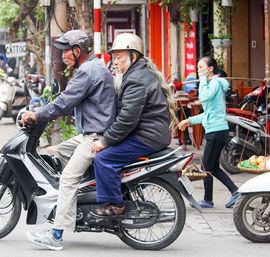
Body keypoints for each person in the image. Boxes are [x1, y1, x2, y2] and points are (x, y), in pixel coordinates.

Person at [22, 29, 117, 250]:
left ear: (78, 50)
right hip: (91, 133)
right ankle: (80, 197)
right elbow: (69, 101)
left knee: (67, 180)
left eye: (66, 51)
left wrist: (37, 114)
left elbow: (65, 101)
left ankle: (56, 235)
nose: (63, 56)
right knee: (61, 150)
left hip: (96, 136)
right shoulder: (94, 67)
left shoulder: (87, 71)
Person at [90, 33, 178, 215]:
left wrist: (105, 141)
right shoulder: (139, 73)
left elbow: (127, 119)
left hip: (146, 136)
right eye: (113, 57)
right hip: (150, 133)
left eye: (119, 57)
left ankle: (114, 205)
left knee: (104, 158)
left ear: (133, 56)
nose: (115, 62)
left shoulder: (136, 79)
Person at [178, 56, 240, 208]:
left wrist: (203, 79)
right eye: (198, 68)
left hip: (217, 131)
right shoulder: (213, 84)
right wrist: (189, 120)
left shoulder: (215, 84)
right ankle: (231, 193)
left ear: (210, 69)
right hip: (216, 130)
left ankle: (214, 198)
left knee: (207, 167)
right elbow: (208, 112)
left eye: (201, 67)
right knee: (212, 167)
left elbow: (204, 96)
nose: (199, 71)